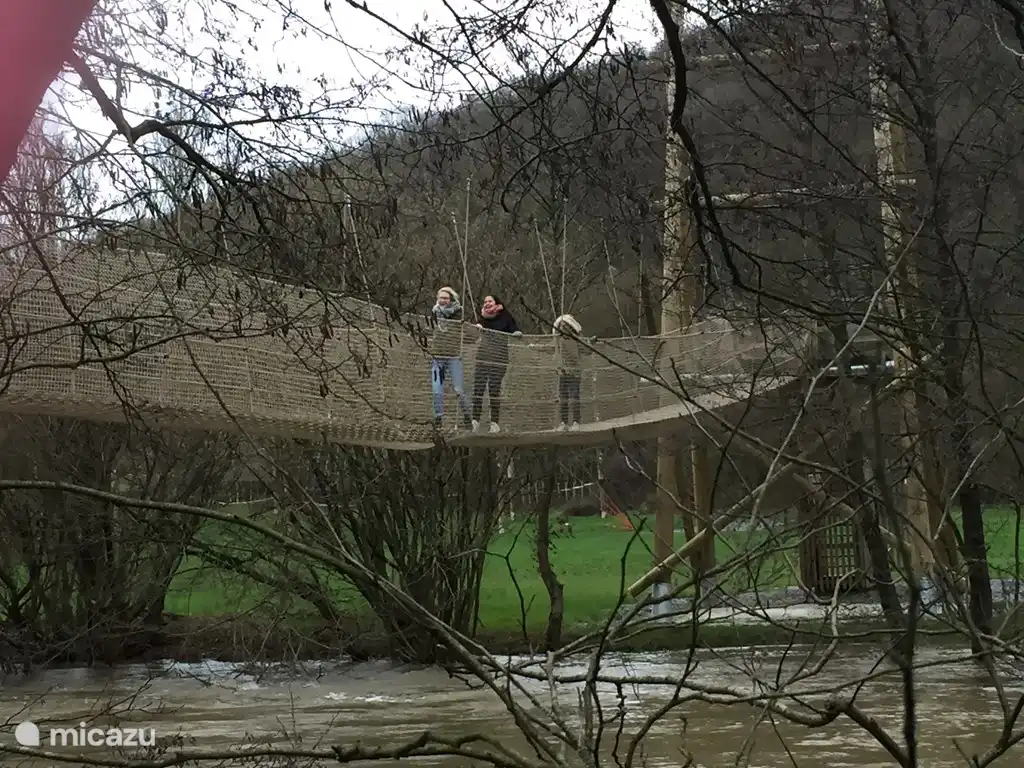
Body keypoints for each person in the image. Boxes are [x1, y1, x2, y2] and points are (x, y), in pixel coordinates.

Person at [471, 294, 521, 433]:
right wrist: (477, 326)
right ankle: (475, 420)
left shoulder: (505, 316)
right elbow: (475, 328)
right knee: (478, 388)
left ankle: (494, 423)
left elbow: (513, 327)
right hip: (483, 356)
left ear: (496, 302)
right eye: (485, 301)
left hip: (499, 357)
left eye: (490, 301)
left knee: (494, 389)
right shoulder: (482, 317)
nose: (487, 303)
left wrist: (516, 332)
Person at [428, 286, 472, 431]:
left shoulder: (458, 312)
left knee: (458, 389)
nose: (443, 301)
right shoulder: (434, 312)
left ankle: (467, 416)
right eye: (441, 298)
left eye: (446, 298)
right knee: (436, 389)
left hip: (453, 356)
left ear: (451, 299)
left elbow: (455, 329)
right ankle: (438, 418)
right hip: (438, 356)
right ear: (437, 299)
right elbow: (430, 329)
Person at [553, 313, 586, 430]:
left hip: (574, 373)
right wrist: (531, 345)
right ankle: (564, 423)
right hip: (562, 373)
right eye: (561, 326)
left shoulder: (576, 339)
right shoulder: (558, 339)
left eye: (565, 325)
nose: (562, 328)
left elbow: (587, 350)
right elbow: (548, 347)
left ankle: (576, 422)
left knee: (574, 398)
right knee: (563, 399)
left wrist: (591, 342)